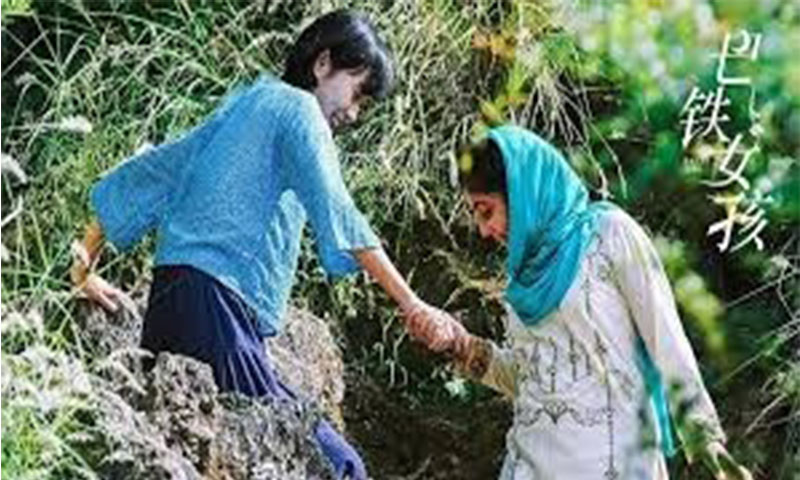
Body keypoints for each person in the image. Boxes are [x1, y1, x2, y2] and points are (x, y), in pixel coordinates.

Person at [70, 10, 454, 480]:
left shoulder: (248, 102)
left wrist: (83, 269)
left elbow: (152, 174)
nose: (354, 113)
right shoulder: (300, 110)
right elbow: (341, 212)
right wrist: (413, 303)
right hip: (213, 309)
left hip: (173, 308)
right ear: (322, 64)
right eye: (357, 92)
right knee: (340, 467)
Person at [409, 125, 753, 479]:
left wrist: (703, 436)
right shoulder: (523, 278)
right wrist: (461, 344)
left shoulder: (610, 235)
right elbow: (536, 383)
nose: (483, 230)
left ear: (523, 194)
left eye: (486, 211)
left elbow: (665, 339)